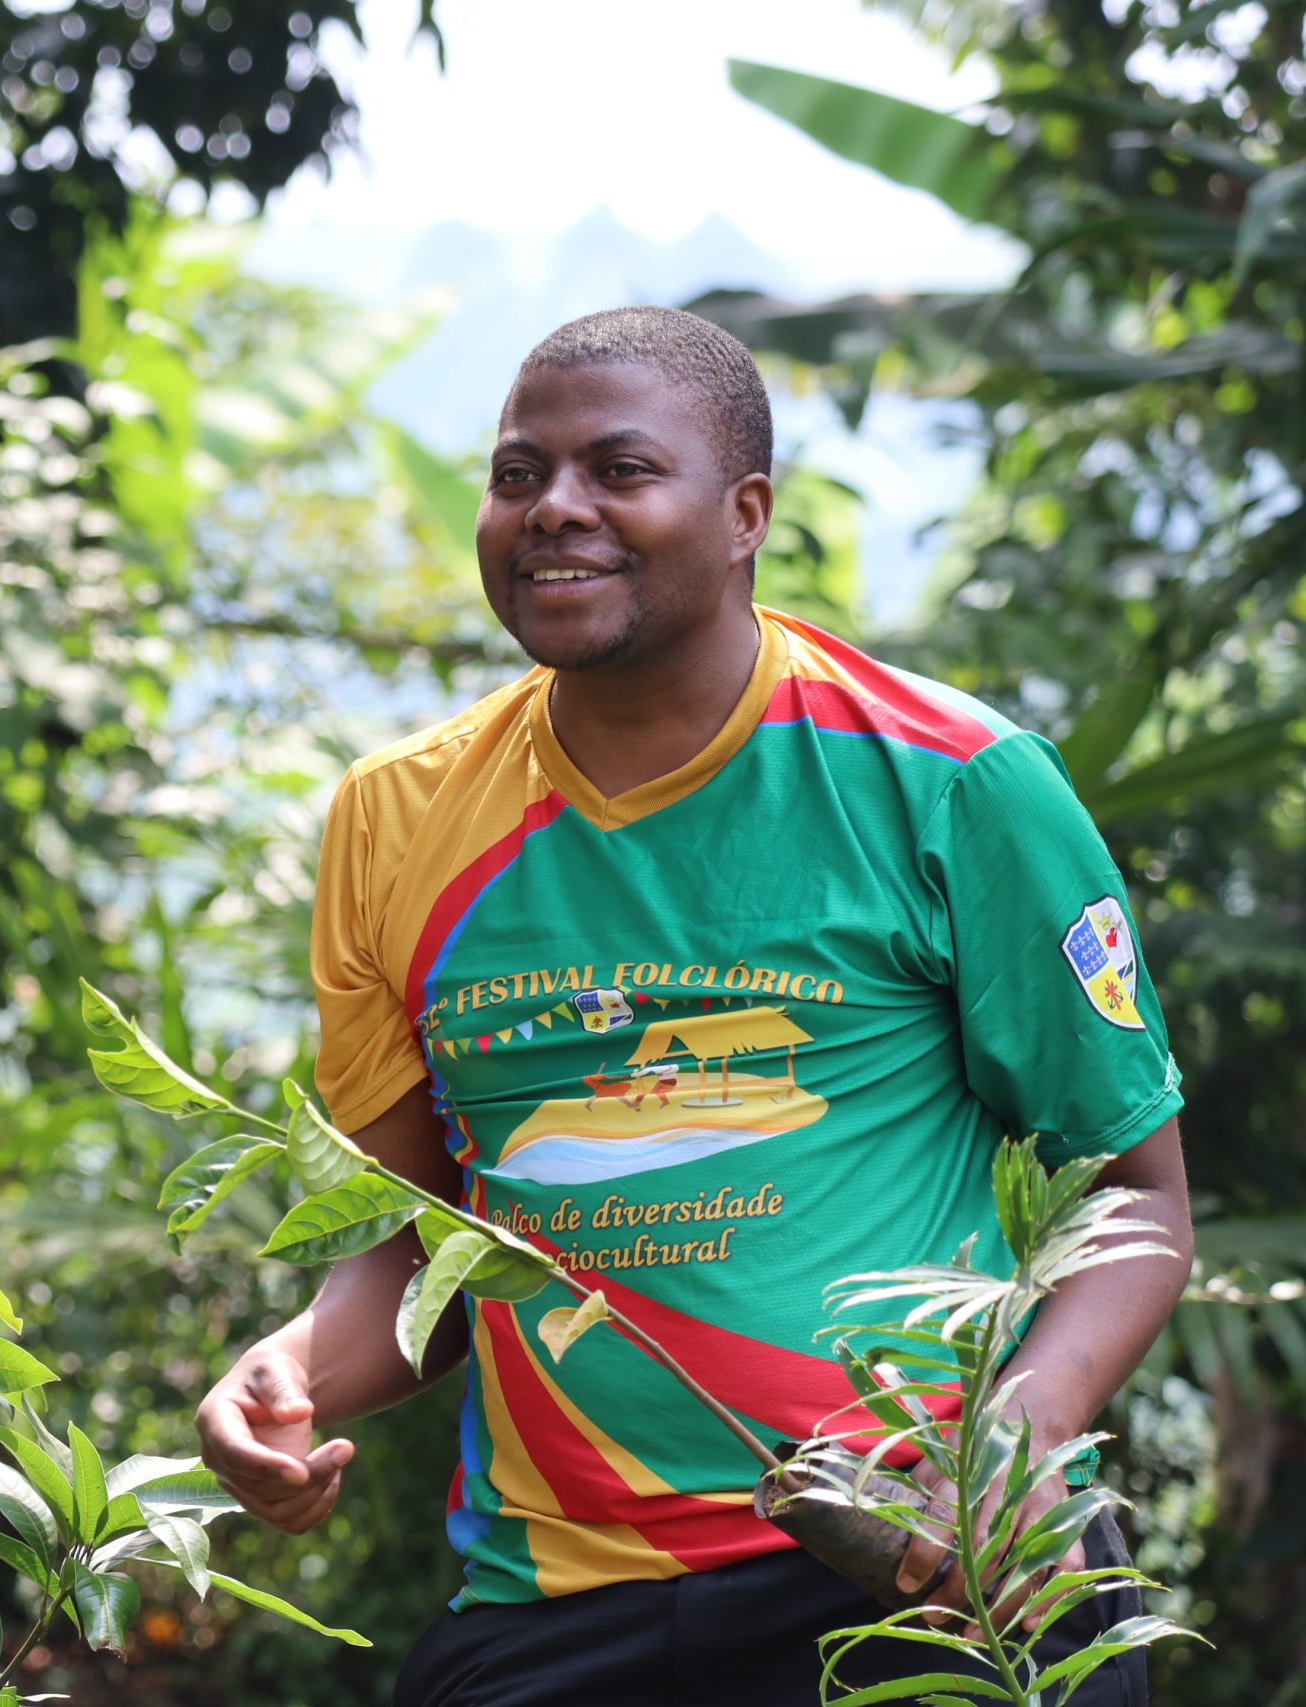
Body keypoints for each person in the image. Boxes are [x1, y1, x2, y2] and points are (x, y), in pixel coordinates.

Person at [195, 308, 1193, 1706]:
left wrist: (1018, 1445)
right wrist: (290, 1375)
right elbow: (416, 1255)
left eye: (617, 470)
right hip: (559, 1602)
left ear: (743, 515)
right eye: (515, 475)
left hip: (925, 1567)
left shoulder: (955, 782)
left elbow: (1134, 1201)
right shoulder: (396, 821)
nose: (554, 510)